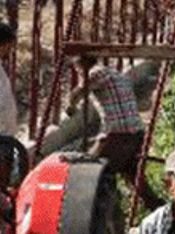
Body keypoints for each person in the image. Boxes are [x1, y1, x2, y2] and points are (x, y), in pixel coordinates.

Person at [68, 54, 162, 209]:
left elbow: (78, 93)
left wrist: (70, 106)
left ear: (82, 66)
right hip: (136, 134)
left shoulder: (96, 73)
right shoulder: (116, 74)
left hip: (118, 134)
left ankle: (97, 215)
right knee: (136, 180)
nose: (78, 73)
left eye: (77, 70)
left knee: (91, 173)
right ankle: (161, 210)